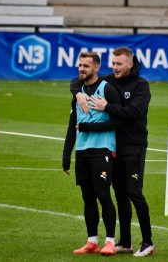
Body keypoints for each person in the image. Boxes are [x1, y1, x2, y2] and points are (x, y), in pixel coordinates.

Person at [72, 47, 154, 257]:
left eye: (119, 64)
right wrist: (78, 92)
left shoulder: (141, 85)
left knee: (135, 193)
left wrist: (108, 106)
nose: (115, 68)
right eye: (113, 63)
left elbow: (134, 112)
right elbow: (78, 80)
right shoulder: (110, 79)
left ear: (130, 63)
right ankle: (125, 242)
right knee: (120, 196)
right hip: (113, 147)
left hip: (134, 147)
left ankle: (148, 242)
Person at [62, 52, 122, 256]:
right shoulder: (77, 93)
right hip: (82, 151)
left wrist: (90, 127)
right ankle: (92, 241)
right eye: (80, 65)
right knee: (88, 198)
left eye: (86, 66)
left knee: (103, 194)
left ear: (96, 68)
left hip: (102, 149)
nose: (81, 69)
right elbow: (73, 125)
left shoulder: (107, 90)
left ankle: (110, 242)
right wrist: (65, 155)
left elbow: (119, 121)